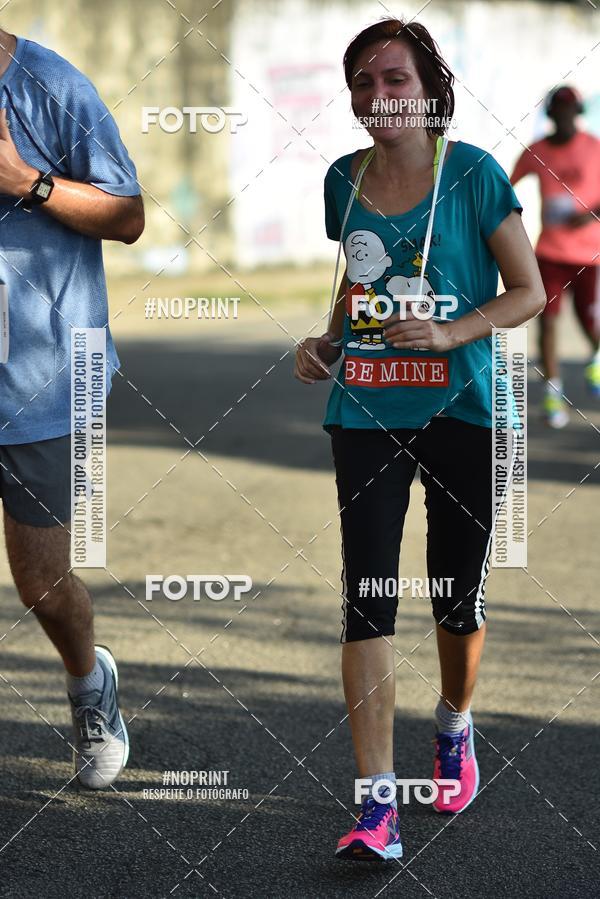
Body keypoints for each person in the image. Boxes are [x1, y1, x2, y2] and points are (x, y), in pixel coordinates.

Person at [295, 17, 545, 861]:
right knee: (365, 597)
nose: (378, 98)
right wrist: (327, 340)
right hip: (364, 409)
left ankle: (454, 725)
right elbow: (356, 288)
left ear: (430, 90)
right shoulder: (343, 179)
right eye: (363, 83)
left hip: (465, 412)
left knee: (454, 598)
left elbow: (530, 291)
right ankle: (376, 807)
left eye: (394, 80)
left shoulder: (472, 174)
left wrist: (447, 335)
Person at [0, 28, 144, 788]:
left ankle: (91, 684)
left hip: (45, 377)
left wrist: (29, 180)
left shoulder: (53, 86)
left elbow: (129, 215)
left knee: (44, 586)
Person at [510, 85, 600, 428]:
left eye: (569, 112)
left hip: (591, 254)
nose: (563, 118)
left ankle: (597, 358)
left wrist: (588, 214)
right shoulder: (537, 151)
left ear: (577, 114)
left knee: (589, 321)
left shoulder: (594, 148)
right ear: (550, 115)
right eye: (557, 112)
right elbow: (505, 185)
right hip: (549, 252)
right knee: (547, 320)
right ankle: (553, 392)